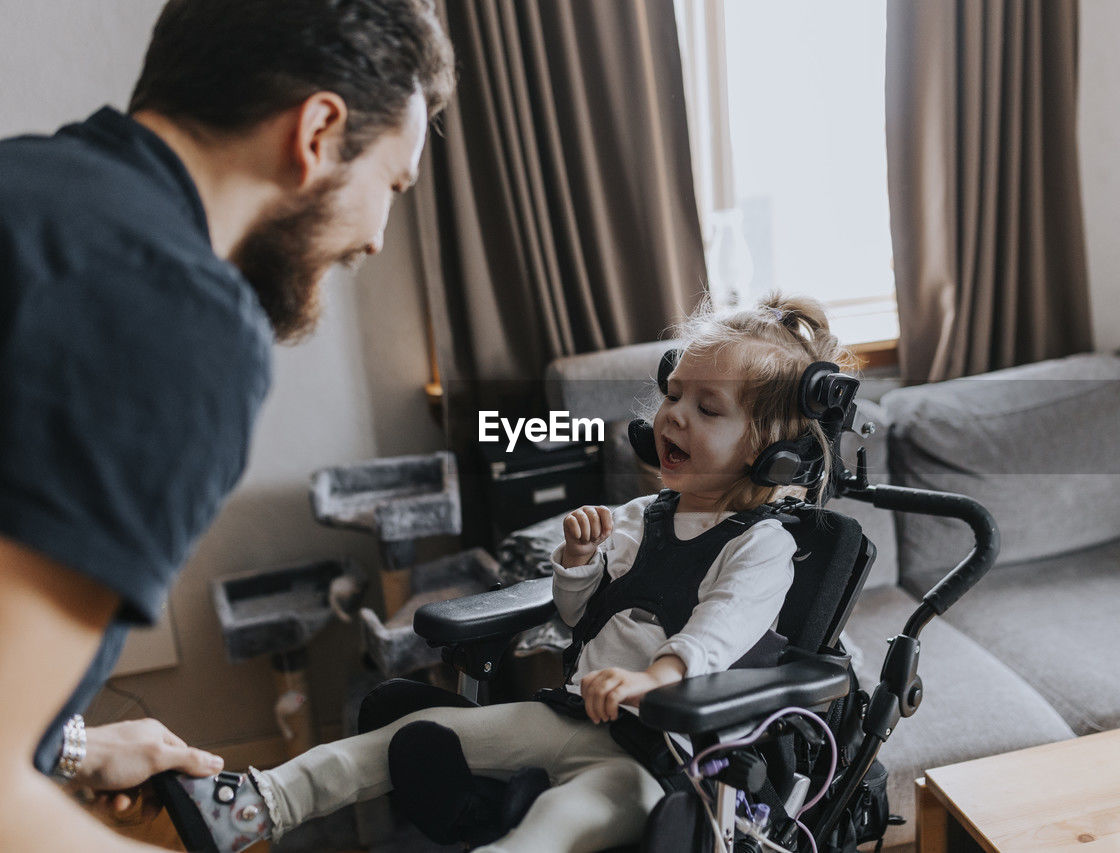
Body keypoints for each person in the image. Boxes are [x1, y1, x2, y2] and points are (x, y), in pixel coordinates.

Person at [156, 294, 856, 852]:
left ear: (772, 453)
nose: (674, 416)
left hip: (657, 762)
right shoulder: (645, 513)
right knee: (407, 732)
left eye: (707, 408)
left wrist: (651, 680)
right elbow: (583, 617)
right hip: (570, 714)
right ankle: (253, 805)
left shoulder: (762, 546)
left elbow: (717, 632)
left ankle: (507, 806)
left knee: (549, 826)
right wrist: (577, 564)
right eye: (674, 395)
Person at [0, 1, 454, 849]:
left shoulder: (27, 190)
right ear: (318, 131)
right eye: (392, 185)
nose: (379, 239)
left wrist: (67, 746)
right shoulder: (176, 313)